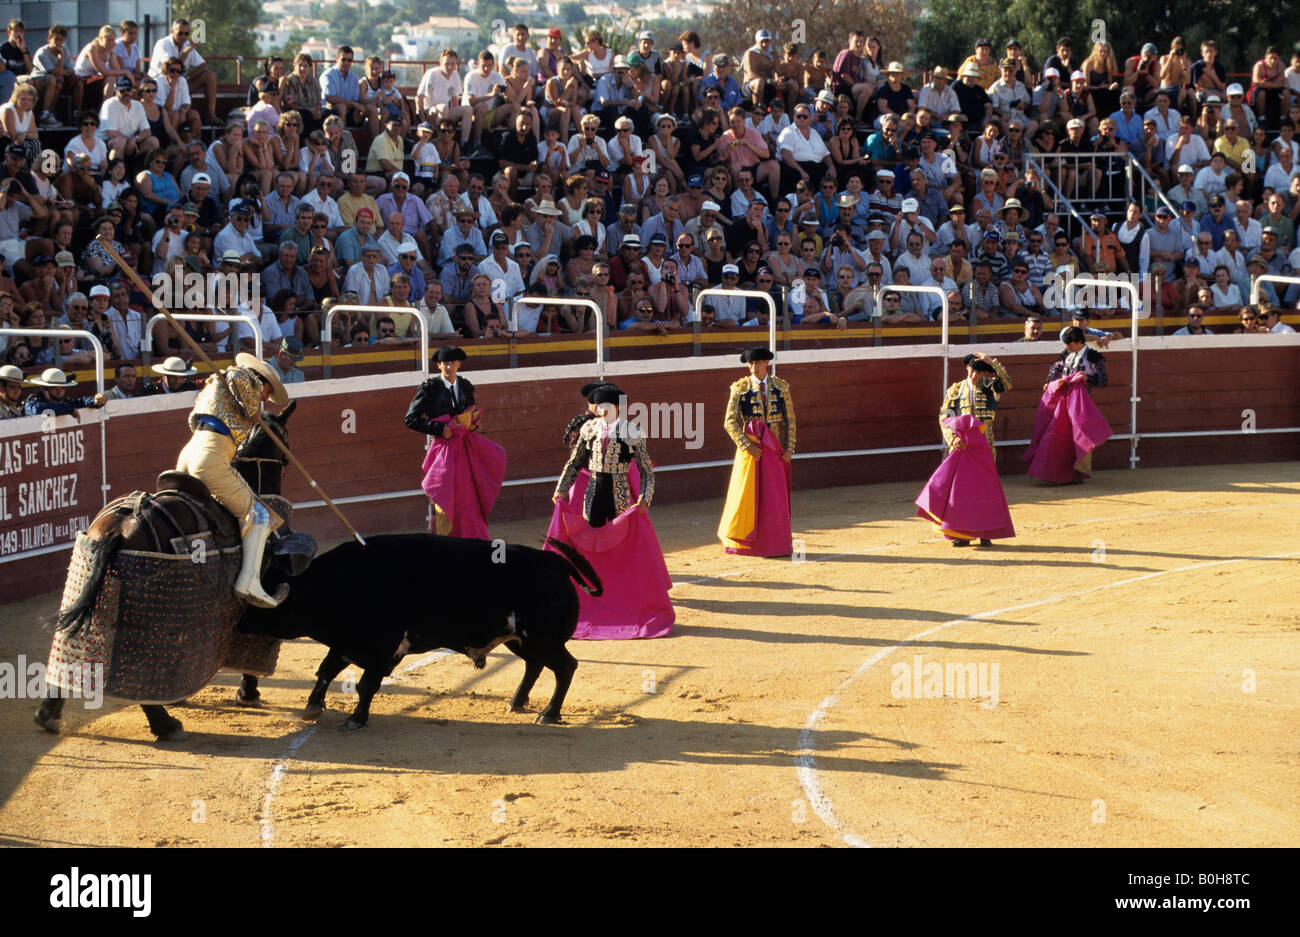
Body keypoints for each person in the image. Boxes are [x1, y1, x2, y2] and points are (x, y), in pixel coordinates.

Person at [548, 381, 673, 639]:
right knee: (588, 542)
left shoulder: (632, 431)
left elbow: (646, 470)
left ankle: (621, 595)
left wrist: (645, 498)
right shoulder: (589, 429)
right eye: (600, 406)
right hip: (593, 492)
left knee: (621, 546)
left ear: (618, 407)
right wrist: (562, 488)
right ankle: (589, 595)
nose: (602, 411)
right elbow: (574, 463)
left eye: (608, 406)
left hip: (619, 495)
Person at [172, 353, 289, 607]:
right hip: (210, 457)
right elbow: (248, 405)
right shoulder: (239, 375)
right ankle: (249, 581)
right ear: (260, 379)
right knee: (260, 515)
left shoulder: (217, 382)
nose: (265, 399)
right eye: (267, 391)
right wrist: (254, 413)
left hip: (190, 453)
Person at [404, 345, 506, 538]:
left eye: (452, 363)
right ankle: (445, 542)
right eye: (445, 363)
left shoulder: (465, 386)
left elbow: (471, 412)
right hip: (443, 449)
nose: (449, 367)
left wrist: (473, 422)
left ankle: (468, 539)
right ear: (439, 365)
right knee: (445, 496)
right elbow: (410, 419)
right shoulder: (430, 388)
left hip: (465, 446)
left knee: (468, 498)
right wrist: (439, 429)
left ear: (459, 364)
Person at [916, 352, 1015, 547]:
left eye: (981, 373)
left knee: (985, 488)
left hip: (985, 442)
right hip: (962, 444)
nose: (976, 376)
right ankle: (962, 533)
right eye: (974, 371)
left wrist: (991, 361)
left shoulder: (990, 385)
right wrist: (952, 438)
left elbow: (1008, 383)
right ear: (967, 368)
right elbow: (944, 416)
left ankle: (985, 531)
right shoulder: (955, 390)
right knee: (962, 491)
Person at [718, 347, 795, 557]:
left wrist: (789, 447)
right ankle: (745, 543)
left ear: (766, 364)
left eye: (758, 363)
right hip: (750, 452)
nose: (754, 367)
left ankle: (775, 544)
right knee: (746, 496)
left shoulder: (781, 387)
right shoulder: (740, 388)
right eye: (751, 364)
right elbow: (729, 422)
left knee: (774, 498)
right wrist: (747, 445)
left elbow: (790, 420)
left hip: (774, 450)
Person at [1025, 326, 1112, 485]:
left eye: (1070, 344)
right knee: (1059, 436)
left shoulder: (1094, 357)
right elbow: (1055, 368)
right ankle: (1058, 472)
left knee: (1079, 437)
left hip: (1081, 403)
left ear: (1079, 342)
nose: (1067, 347)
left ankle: (1076, 474)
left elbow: (1103, 380)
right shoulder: (1066, 354)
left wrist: (1087, 378)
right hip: (1063, 401)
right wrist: (1049, 382)